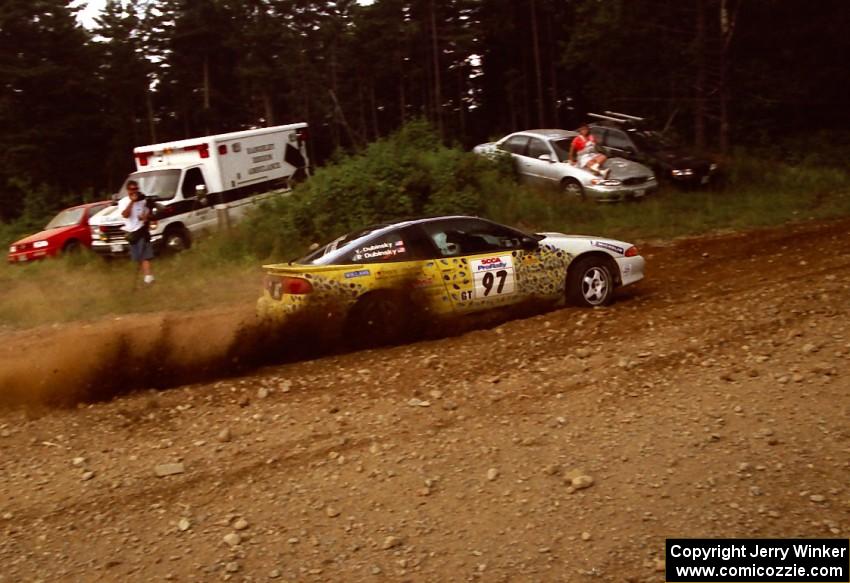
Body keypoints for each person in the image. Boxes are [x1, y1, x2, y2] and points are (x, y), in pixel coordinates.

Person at [118, 180, 155, 285]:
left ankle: (148, 278)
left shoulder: (142, 201)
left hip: (141, 230)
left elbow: (148, 214)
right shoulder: (123, 202)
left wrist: (145, 217)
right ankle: (147, 277)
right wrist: (132, 202)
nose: (134, 191)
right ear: (128, 190)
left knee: (145, 255)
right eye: (132, 189)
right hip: (131, 233)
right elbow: (125, 215)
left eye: (136, 189)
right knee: (138, 257)